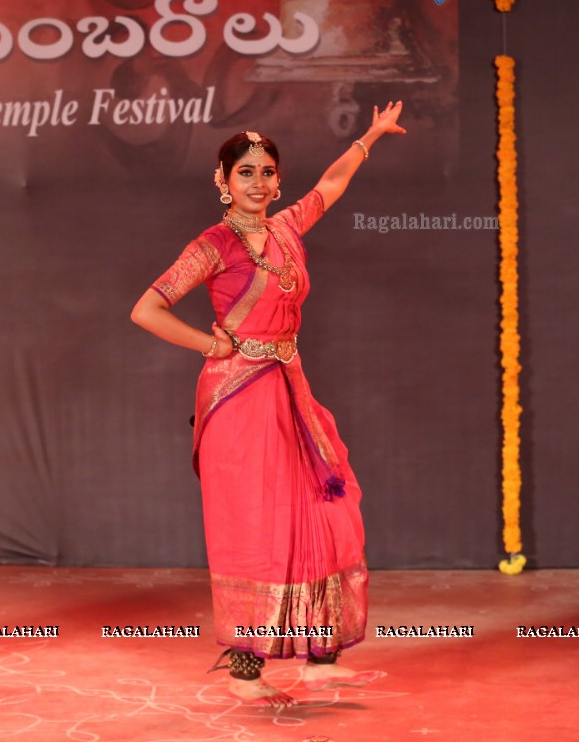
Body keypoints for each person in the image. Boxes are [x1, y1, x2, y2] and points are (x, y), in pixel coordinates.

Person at [130, 103, 405, 707]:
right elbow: (146, 309)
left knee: (321, 510)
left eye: (267, 172)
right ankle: (245, 668)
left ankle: (318, 658)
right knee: (255, 525)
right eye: (246, 172)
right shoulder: (211, 245)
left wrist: (368, 137)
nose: (259, 182)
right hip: (237, 392)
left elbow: (330, 186)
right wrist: (210, 342)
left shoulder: (286, 227)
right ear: (223, 181)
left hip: (288, 384)